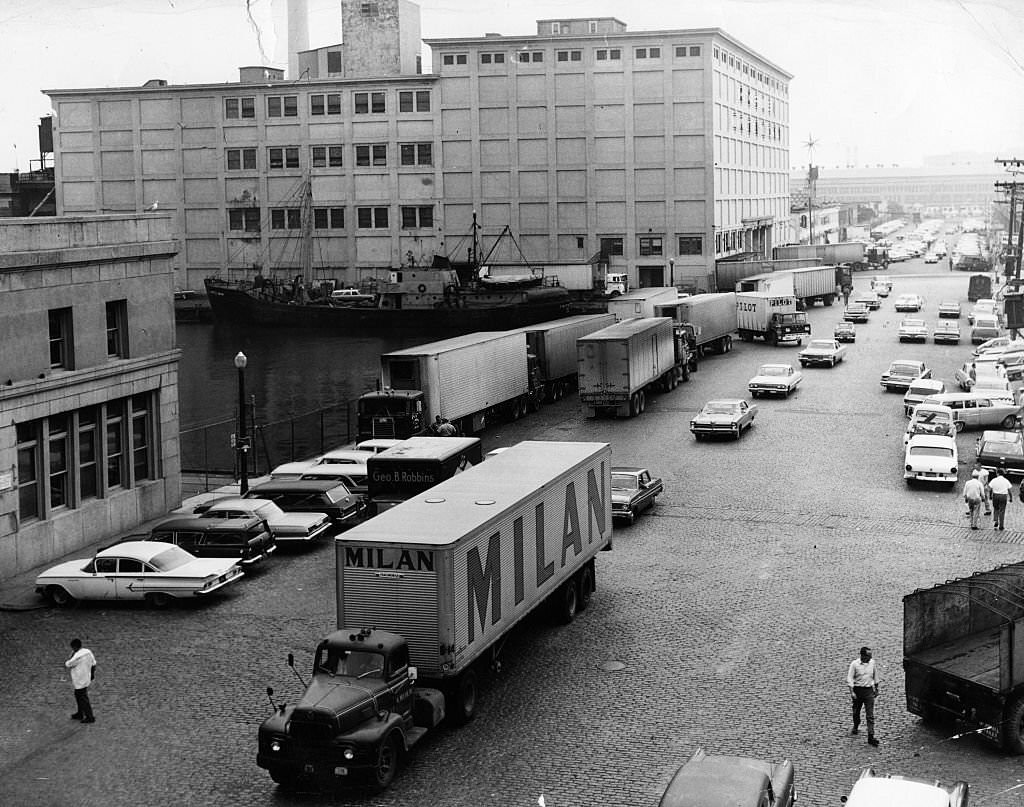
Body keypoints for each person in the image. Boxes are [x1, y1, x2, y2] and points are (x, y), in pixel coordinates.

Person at [846, 646, 880, 746]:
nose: (870, 658)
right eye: (868, 656)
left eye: (870, 656)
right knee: (856, 711)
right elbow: (850, 679)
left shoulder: (872, 663)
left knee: (870, 715)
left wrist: (876, 688)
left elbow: (875, 675)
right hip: (858, 690)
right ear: (862, 655)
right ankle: (856, 725)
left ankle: (871, 736)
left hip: (869, 691)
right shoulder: (854, 665)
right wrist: (852, 692)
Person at [65, 638, 97, 724]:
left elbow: (68, 664)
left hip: (79, 679)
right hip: (86, 677)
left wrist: (72, 655)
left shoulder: (77, 656)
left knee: (82, 697)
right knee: (79, 695)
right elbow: (94, 664)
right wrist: (92, 674)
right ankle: (80, 713)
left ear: (74, 647)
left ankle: (89, 716)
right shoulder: (88, 652)